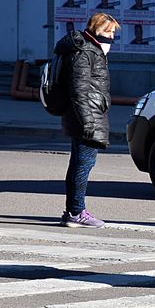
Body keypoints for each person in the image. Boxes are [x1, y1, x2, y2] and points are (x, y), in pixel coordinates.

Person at [53, 12, 121, 228]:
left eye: (113, 33)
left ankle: (73, 210)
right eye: (108, 32)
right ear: (96, 30)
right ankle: (76, 212)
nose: (111, 37)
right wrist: (88, 123)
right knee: (83, 165)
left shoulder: (91, 50)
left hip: (86, 115)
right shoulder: (84, 52)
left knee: (79, 165)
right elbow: (79, 92)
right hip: (85, 117)